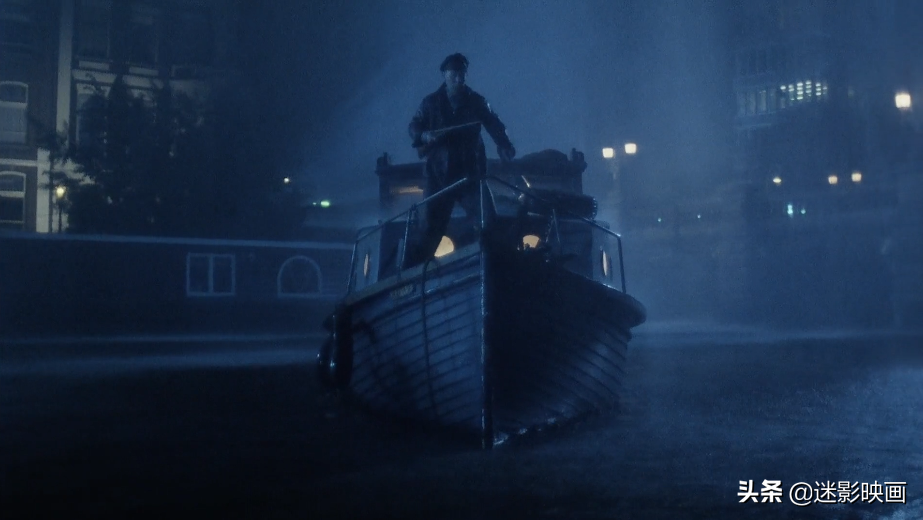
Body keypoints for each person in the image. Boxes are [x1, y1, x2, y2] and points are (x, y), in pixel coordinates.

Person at [403, 52, 516, 268]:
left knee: (488, 222)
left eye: (462, 74)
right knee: (429, 231)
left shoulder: (477, 101)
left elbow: (494, 124)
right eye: (454, 74)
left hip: (470, 176)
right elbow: (414, 125)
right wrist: (424, 135)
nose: (459, 78)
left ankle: (493, 267)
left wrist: (505, 145)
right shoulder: (430, 103)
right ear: (444, 75)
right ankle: (411, 275)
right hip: (438, 177)